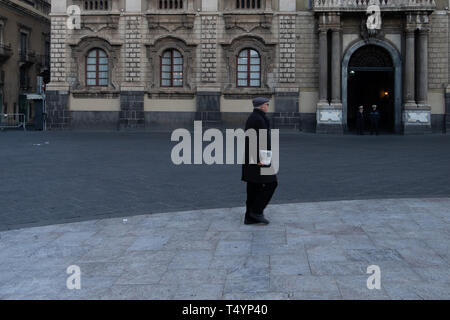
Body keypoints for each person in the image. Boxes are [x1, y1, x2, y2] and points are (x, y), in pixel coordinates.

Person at [241, 97, 278, 225]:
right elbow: (262, 142)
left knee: (253, 186)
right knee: (271, 183)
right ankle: (256, 211)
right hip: (259, 159)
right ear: (262, 106)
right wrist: (265, 160)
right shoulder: (259, 119)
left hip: (252, 158)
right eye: (267, 104)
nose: (268, 106)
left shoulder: (254, 117)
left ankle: (249, 217)